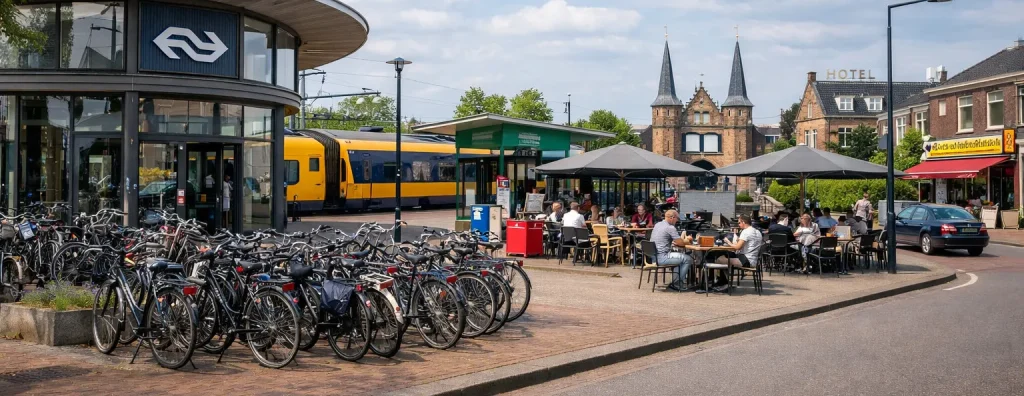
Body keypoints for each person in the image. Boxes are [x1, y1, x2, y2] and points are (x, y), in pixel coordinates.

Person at [649, 210, 695, 291]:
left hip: (654, 256)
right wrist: (688, 239)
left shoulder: (657, 224)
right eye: (677, 218)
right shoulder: (670, 227)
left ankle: (675, 282)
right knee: (688, 259)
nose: (677, 221)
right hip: (662, 257)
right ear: (672, 218)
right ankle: (676, 284)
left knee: (680, 259)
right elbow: (680, 242)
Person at [715, 214, 763, 291]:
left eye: (739, 223)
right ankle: (724, 282)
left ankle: (723, 283)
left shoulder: (746, 232)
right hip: (753, 259)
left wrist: (728, 242)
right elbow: (746, 245)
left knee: (719, 259)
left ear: (743, 222)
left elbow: (737, 247)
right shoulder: (757, 232)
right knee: (725, 255)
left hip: (746, 260)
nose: (738, 224)